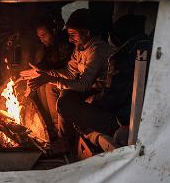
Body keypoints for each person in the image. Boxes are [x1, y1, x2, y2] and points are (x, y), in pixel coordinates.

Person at [21, 8, 115, 150]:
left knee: (64, 96)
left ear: (87, 33)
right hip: (89, 89)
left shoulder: (97, 51)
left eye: (73, 35)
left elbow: (83, 84)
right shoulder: (81, 47)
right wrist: (44, 73)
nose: (70, 39)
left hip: (101, 95)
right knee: (51, 86)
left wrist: (49, 78)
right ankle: (54, 130)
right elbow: (70, 73)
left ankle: (63, 140)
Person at [31, 18, 73, 140]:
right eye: (39, 37)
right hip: (57, 75)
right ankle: (48, 124)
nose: (42, 39)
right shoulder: (49, 46)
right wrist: (36, 69)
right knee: (40, 85)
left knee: (49, 85)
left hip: (68, 80)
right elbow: (46, 62)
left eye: (44, 35)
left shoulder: (65, 43)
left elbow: (64, 67)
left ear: (53, 31)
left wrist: (44, 72)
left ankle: (56, 127)